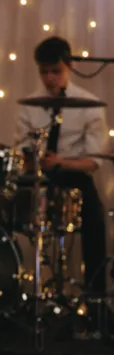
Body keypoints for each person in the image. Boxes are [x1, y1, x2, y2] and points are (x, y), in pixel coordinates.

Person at [15, 35, 108, 298]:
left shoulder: (89, 105)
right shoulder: (30, 104)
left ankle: (95, 298)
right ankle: (13, 286)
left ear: (68, 66)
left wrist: (62, 162)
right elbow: (21, 146)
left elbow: (94, 161)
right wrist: (33, 160)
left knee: (95, 217)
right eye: (44, 72)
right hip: (40, 177)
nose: (49, 78)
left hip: (73, 176)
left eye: (55, 71)